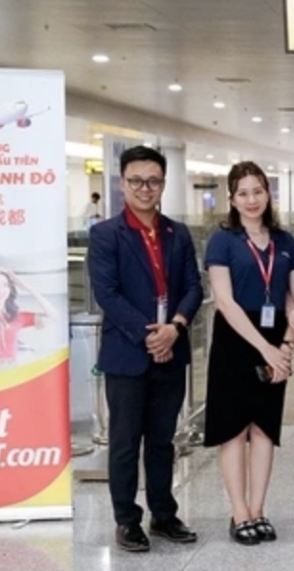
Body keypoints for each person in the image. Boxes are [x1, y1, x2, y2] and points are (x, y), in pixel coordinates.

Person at [88, 145, 203, 553]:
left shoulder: (178, 233)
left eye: (153, 181)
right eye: (136, 180)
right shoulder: (105, 235)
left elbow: (193, 286)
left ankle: (164, 515)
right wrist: (149, 334)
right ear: (122, 184)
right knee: (124, 442)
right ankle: (126, 520)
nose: (145, 188)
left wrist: (174, 328)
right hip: (127, 355)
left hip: (171, 351)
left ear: (163, 184)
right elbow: (108, 293)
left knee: (162, 440)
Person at [204, 162, 294, 545]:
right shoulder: (223, 240)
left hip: (275, 335)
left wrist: (285, 348)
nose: (251, 200)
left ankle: (259, 509)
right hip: (235, 339)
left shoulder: (284, 241)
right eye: (243, 193)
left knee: (264, 428)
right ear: (232, 197)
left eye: (258, 191)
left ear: (268, 194)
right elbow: (225, 303)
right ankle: (239, 512)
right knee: (234, 429)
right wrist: (264, 349)